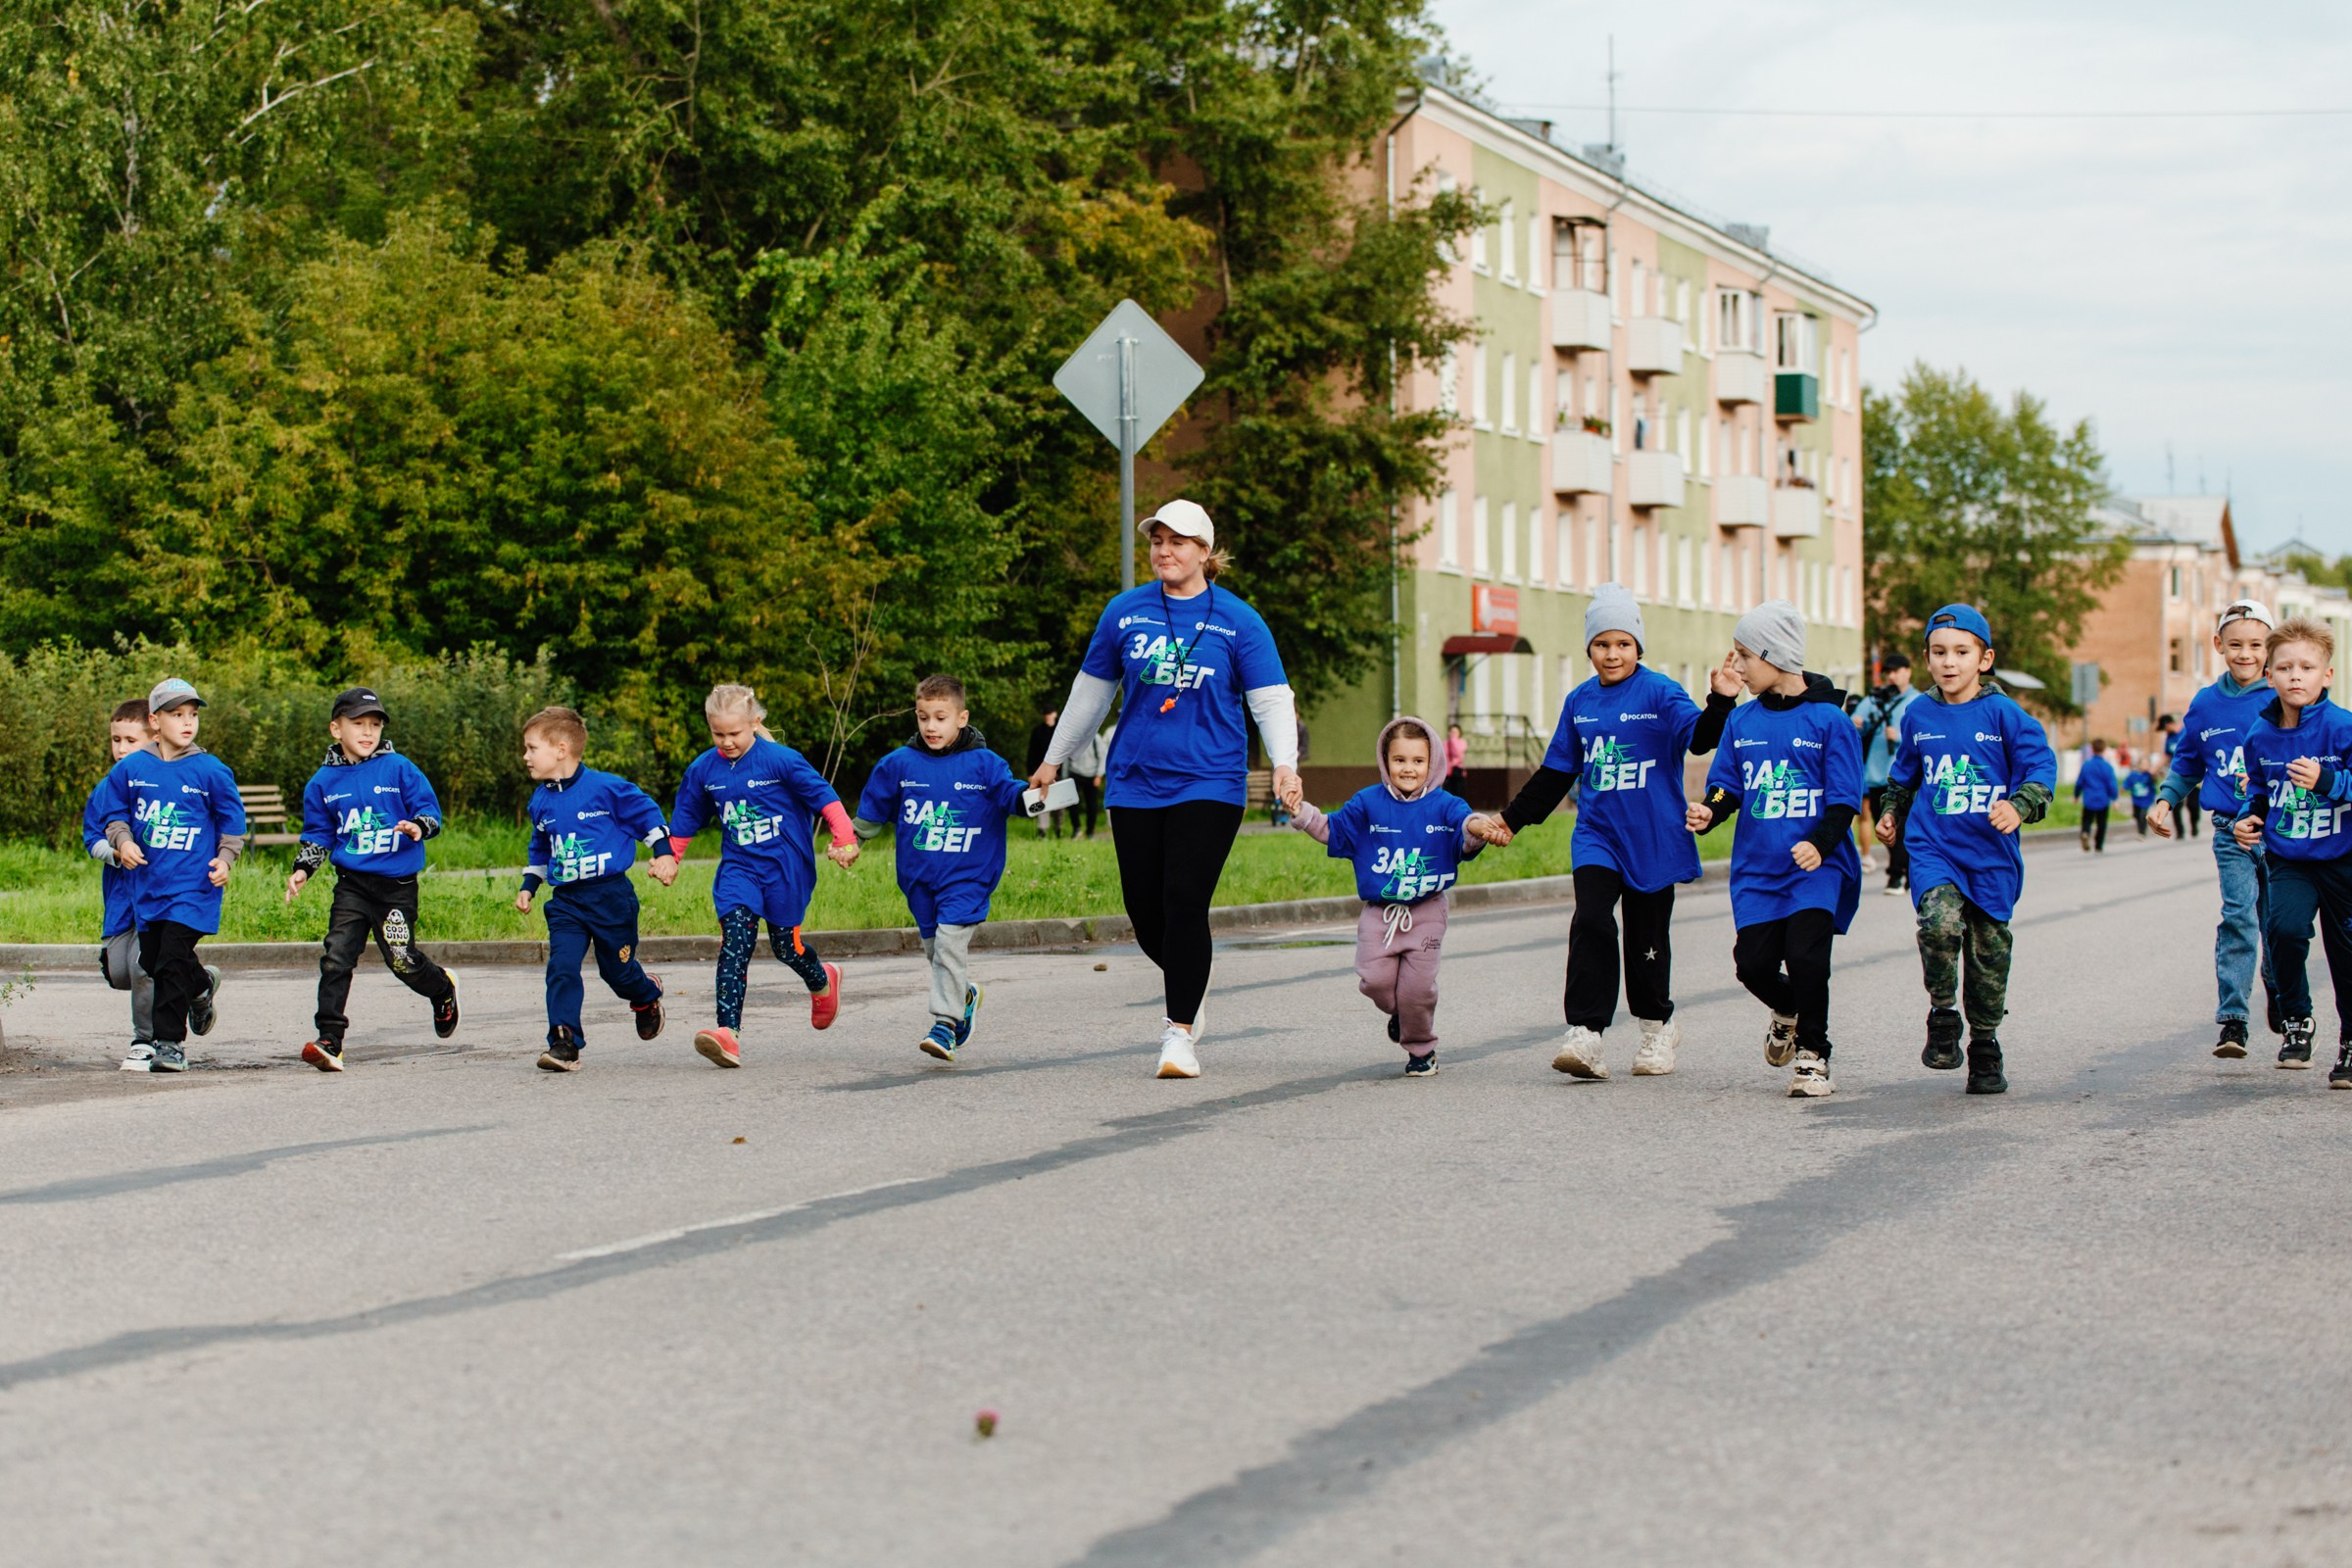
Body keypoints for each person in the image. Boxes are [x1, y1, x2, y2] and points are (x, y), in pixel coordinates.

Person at [1032, 498, 1299, 1080]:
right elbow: (1091, 694)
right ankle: (1190, 984)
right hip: (1133, 781)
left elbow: (1272, 699)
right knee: (1144, 910)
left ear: (1205, 551)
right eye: (1157, 540)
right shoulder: (1124, 613)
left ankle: (1178, 1034)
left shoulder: (1238, 619)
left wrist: (1284, 765)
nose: (1164, 551)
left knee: (1183, 900)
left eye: (1178, 541)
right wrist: (1053, 762)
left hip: (1210, 781)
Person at [1478, 583, 1735, 1079]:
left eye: (1622, 643)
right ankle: (1586, 1033)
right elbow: (1556, 774)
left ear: (1638, 646)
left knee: (1646, 939)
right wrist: (1511, 819)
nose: (1612, 654)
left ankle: (1657, 1027)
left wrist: (1721, 701)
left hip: (1655, 837)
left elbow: (1701, 740)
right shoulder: (1580, 702)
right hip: (1598, 834)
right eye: (1601, 644)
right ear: (1589, 649)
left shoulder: (1660, 692)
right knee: (1592, 921)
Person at [1876, 605, 2058, 1097]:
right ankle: (1942, 1012)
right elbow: (1903, 775)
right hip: (1934, 846)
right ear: (1927, 659)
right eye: (1939, 653)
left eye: (1961, 652)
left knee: (1988, 953)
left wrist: (2019, 806)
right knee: (1938, 923)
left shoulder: (2004, 714)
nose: (1949, 662)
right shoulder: (1919, 714)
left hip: (1991, 854)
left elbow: (2041, 771)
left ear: (1984, 658)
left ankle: (1985, 1045)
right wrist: (1892, 811)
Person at [1687, 602, 1863, 1099]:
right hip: (1758, 869)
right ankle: (1787, 1007)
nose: (1736, 667)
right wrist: (1710, 811)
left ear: (1775, 655)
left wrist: (1818, 844)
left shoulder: (1830, 720)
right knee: (1753, 965)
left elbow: (1845, 799)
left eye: (1744, 656)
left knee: (1808, 958)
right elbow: (1727, 787)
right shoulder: (1743, 722)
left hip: (1815, 866)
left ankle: (1813, 1054)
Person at [667, 685, 858, 1069]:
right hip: (739, 869)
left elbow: (825, 798)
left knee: (786, 947)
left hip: (787, 868)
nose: (727, 742)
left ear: (755, 723)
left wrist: (845, 837)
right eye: (718, 734)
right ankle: (727, 1034)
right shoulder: (704, 769)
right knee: (735, 942)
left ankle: (822, 980)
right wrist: (671, 857)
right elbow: (687, 814)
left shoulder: (781, 761)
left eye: (734, 733)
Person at [1286, 716, 1488, 1076]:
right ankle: (1402, 1015)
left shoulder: (1445, 804)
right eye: (1399, 760)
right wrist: (1300, 812)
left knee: (1418, 990)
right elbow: (1333, 829)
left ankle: (1422, 1050)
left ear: (1432, 763)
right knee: (1376, 982)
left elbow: (1466, 826)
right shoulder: (1367, 803)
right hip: (1380, 914)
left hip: (1426, 913)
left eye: (1417, 761)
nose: (1408, 769)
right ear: (1385, 760)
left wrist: (1479, 827)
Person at [285, 687, 463, 1071]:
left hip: (396, 887)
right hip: (351, 884)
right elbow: (318, 834)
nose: (368, 732)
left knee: (402, 961)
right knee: (336, 958)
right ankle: (330, 1039)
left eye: (375, 724)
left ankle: (442, 988)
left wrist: (418, 827)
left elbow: (430, 812)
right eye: (358, 724)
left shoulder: (399, 768)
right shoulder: (321, 782)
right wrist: (302, 869)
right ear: (336, 729)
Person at [855, 674, 1027, 1061]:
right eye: (923, 717)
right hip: (918, 879)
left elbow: (1011, 795)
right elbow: (872, 814)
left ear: (961, 718)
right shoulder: (899, 764)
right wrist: (850, 842)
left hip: (968, 876)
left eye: (940, 718)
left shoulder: (985, 764)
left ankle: (944, 1025)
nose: (931, 726)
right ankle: (964, 995)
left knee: (949, 944)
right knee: (937, 951)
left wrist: (1031, 797)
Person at [88, 678, 246, 1074]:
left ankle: (168, 1044)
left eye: (192, 714)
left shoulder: (210, 770)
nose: (187, 722)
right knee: (158, 960)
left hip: (194, 886)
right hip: (149, 887)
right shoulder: (133, 768)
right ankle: (201, 986)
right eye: (177, 715)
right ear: (155, 721)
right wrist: (122, 842)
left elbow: (232, 822)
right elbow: (113, 814)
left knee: (171, 959)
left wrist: (225, 860)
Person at [515, 706, 679, 1072]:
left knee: (616, 973)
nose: (525, 757)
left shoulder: (607, 789)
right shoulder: (540, 801)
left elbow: (648, 815)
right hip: (567, 902)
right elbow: (541, 848)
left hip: (611, 898)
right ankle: (564, 1043)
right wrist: (530, 885)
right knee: (561, 967)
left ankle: (645, 995)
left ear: (560, 749)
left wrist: (664, 854)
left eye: (531, 748)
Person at [2151, 598, 2280, 1058]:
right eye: (2236, 644)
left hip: (2281, 830)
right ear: (2218, 645)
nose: (2246, 654)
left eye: (2257, 645)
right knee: (2239, 918)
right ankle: (2233, 1021)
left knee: (2281, 924)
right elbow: (2187, 759)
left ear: (2271, 648)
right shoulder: (2206, 703)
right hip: (2230, 830)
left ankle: (2282, 997)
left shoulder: (2283, 696)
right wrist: (2165, 799)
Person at [2230, 616, 2352, 1086]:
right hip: (2290, 858)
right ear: (2269, 676)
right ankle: (2298, 1021)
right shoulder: (2259, 736)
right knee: (2282, 931)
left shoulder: (2343, 729)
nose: (2295, 676)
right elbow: (2258, 791)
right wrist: (2249, 817)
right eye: (2284, 668)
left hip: (2342, 858)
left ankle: (2351, 1043)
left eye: (2307, 667)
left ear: (2328, 675)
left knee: (2346, 954)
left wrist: (2328, 781)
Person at [81, 699, 156, 1067]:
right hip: (121, 895)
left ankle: (145, 1041)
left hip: (160, 895)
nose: (122, 748)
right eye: (116, 739)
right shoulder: (107, 787)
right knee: (120, 973)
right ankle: (197, 982)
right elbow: (92, 839)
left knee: (145, 967)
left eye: (131, 739)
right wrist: (115, 854)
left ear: (154, 736)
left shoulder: (166, 781)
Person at [1851, 652, 1923, 895]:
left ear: (1907, 672)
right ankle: (1904, 873)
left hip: (1908, 777)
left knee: (1904, 827)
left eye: (1896, 671)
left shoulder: (1918, 701)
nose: (1892, 676)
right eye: (1888, 672)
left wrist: (1901, 737)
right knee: (1885, 827)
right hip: (1877, 772)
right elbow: (1853, 727)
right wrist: (1857, 725)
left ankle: (1898, 875)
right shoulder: (1874, 699)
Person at [1025, 708, 1068, 838]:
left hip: (1059, 772)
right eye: (1045, 713)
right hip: (1041, 771)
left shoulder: (1062, 730)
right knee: (1042, 799)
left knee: (1059, 803)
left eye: (1049, 713)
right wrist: (1031, 772)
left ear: (1055, 714)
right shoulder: (1037, 731)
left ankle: (1059, 829)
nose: (1047, 716)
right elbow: (1031, 753)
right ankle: (1042, 830)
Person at [2159, 712, 2202, 840]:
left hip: (2193, 773)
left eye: (2164, 728)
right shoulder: (2169, 738)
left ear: (2168, 724)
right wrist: (2153, 770)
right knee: (2174, 804)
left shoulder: (2187, 731)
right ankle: (2180, 831)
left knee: (2193, 805)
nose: (2164, 731)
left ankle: (2194, 825)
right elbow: (2166, 756)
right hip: (2176, 774)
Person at [2075, 737, 2118, 854]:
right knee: (2101, 823)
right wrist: (2114, 798)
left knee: (2087, 820)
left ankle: (2085, 832)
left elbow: (2080, 781)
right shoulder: (2107, 767)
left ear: (2092, 750)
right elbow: (2111, 784)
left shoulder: (2086, 765)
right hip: (2103, 799)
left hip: (2089, 798)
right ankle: (2098, 846)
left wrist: (2076, 795)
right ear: (2104, 750)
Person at [1067, 719, 1110, 839]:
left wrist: (1098, 775)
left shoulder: (1097, 739)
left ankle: (1090, 831)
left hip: (1092, 775)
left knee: (1092, 806)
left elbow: (1103, 758)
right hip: (1076, 773)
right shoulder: (1075, 738)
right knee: (1071, 802)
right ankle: (1076, 829)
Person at [2125, 755, 2157, 837]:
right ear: (2139, 765)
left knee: (2143, 815)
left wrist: (2153, 773)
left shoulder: (2149, 775)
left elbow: (2155, 779)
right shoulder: (2133, 775)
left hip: (2146, 800)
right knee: (2136, 815)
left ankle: (2142, 832)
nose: (2145, 766)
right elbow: (2126, 784)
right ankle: (2140, 829)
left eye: (2147, 764)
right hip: (2136, 800)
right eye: (2143, 764)